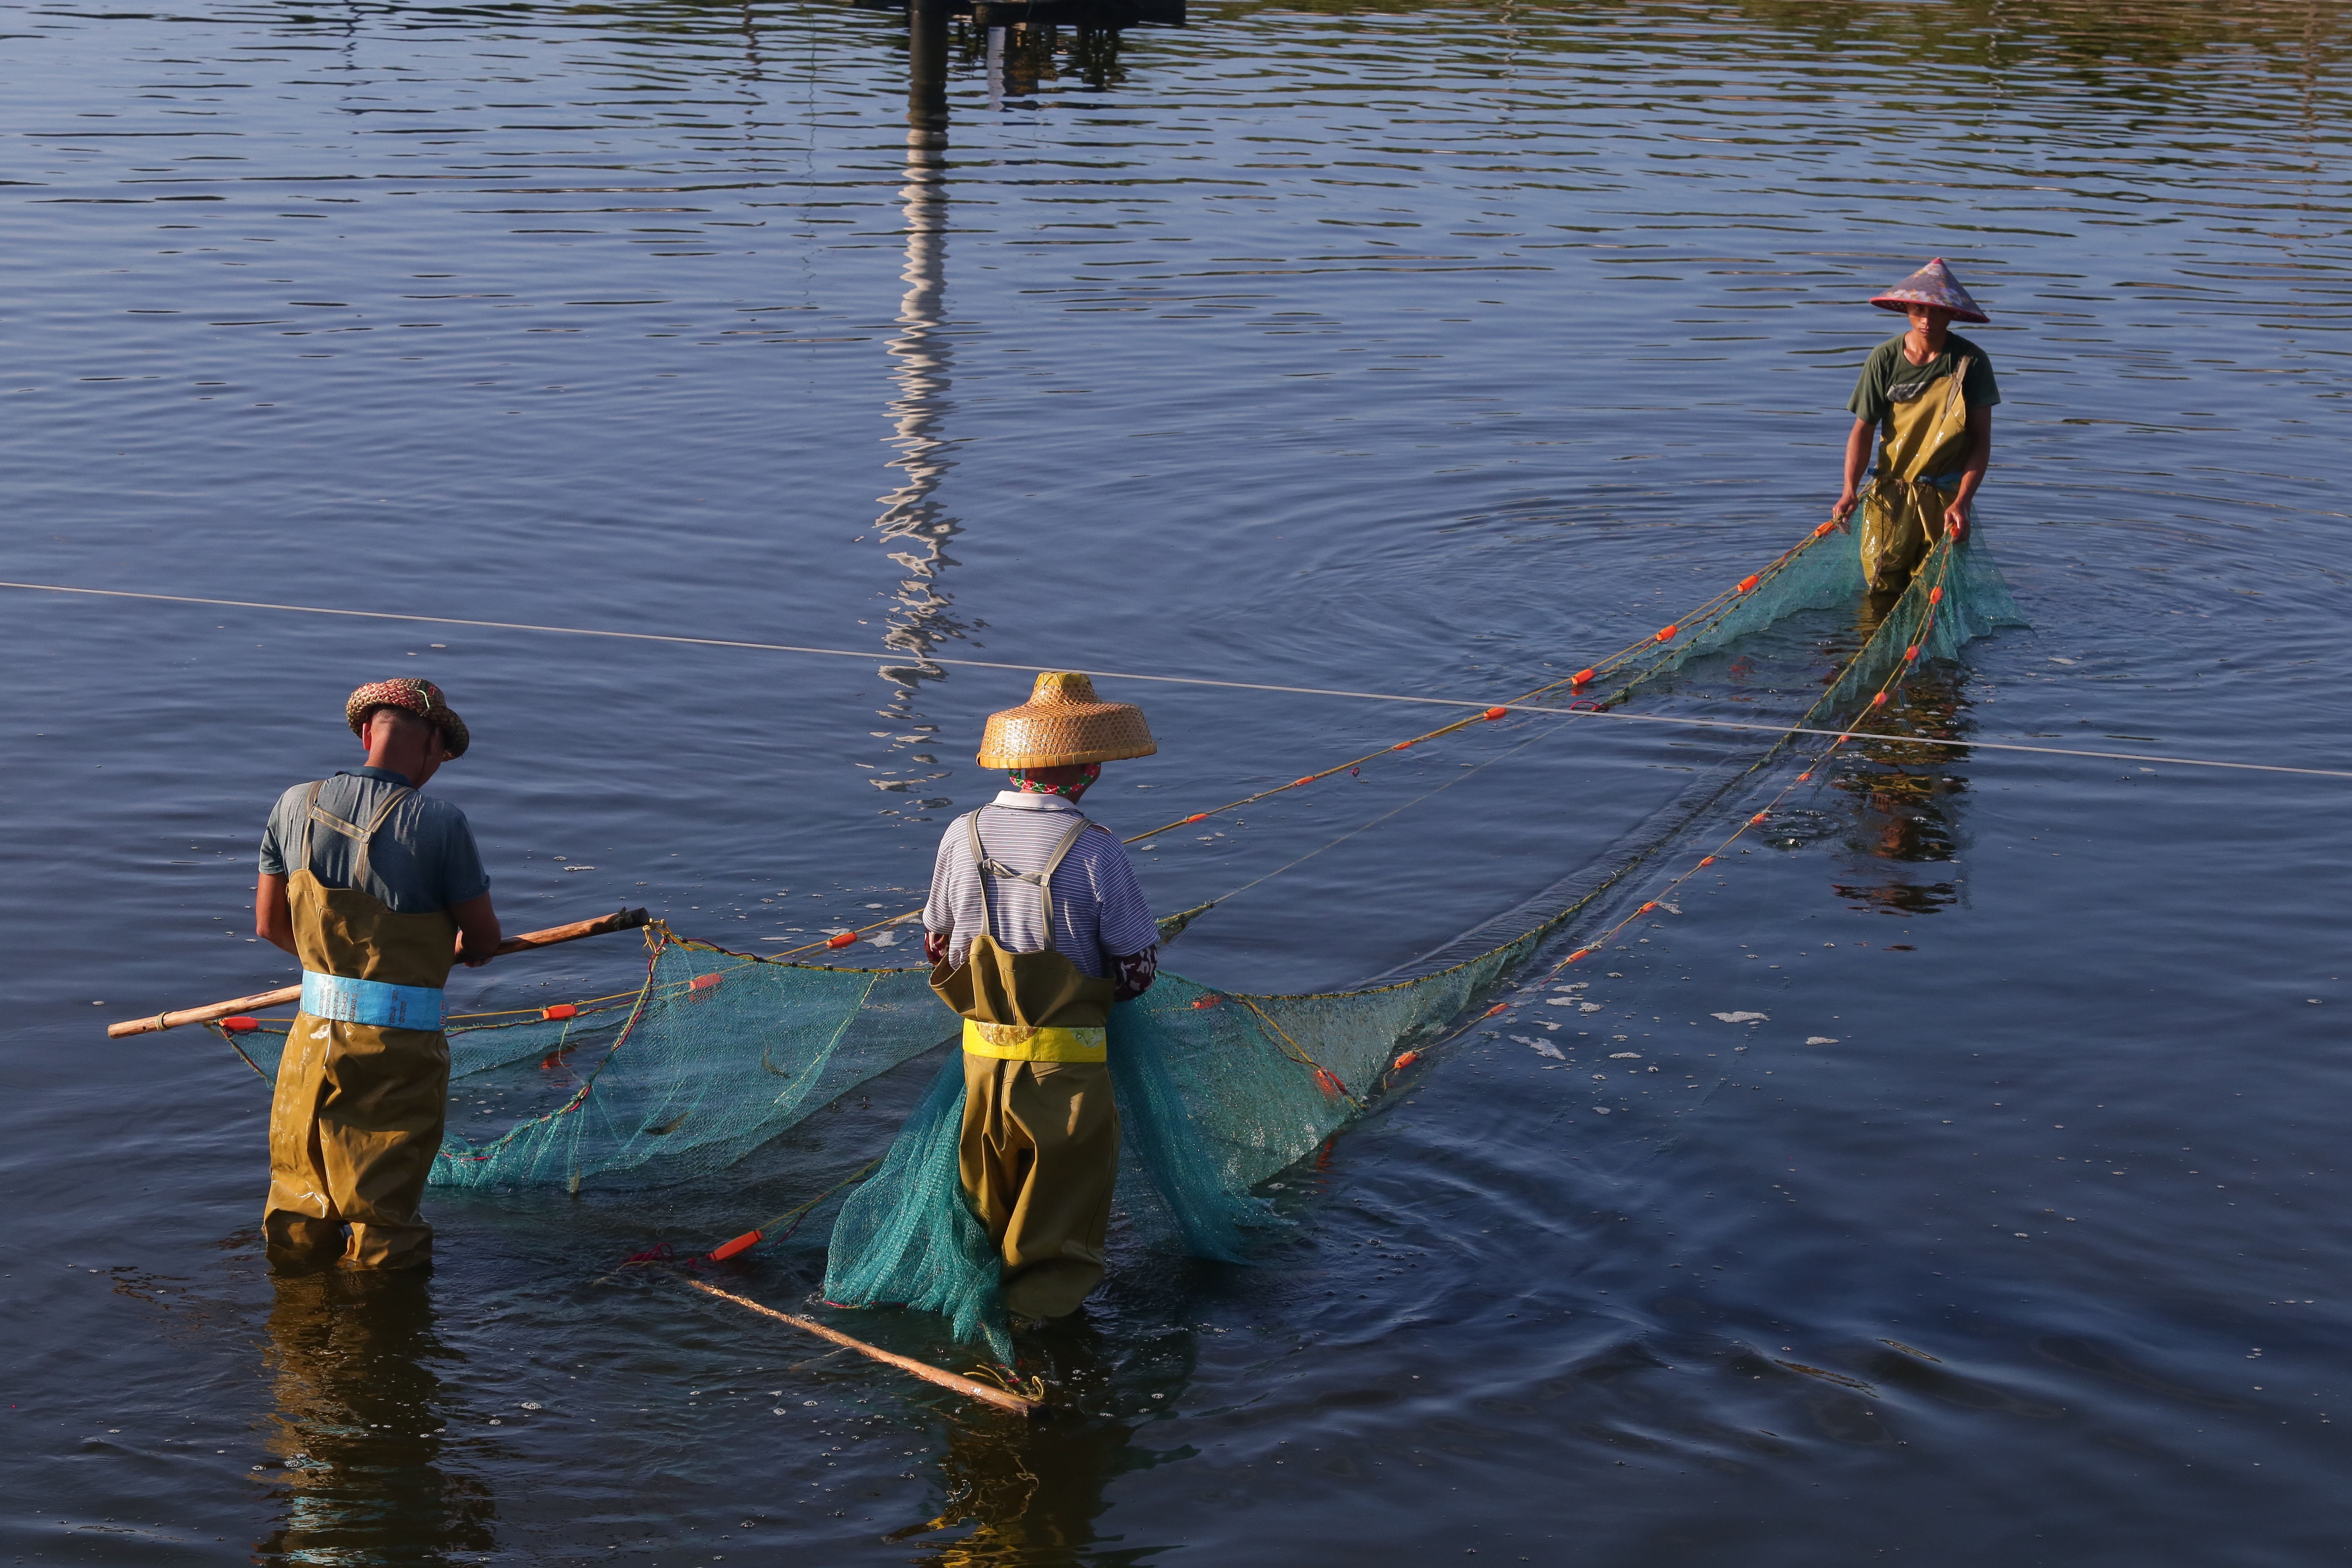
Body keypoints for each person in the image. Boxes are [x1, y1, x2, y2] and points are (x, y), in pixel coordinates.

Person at [924, 671, 1160, 1322]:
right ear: (1086, 769)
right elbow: (1136, 975)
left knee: (984, 1204)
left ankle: (975, 1330)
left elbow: (938, 949)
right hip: (1068, 1074)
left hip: (980, 1068)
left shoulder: (961, 834)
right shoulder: (1095, 850)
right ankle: (1042, 1345)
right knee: (1058, 1224)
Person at [254, 678, 500, 1271]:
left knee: (300, 1204)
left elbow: (269, 925)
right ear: (433, 745)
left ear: (369, 732)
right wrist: (447, 950)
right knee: (383, 1216)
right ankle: (382, 1348)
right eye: (442, 757)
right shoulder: (440, 823)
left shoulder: (293, 804)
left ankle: (297, 1346)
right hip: (396, 1051)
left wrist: (332, 970)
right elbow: (485, 940)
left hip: (310, 1041)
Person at [1830, 257, 2002, 593]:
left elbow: (1981, 442)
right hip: (1890, 493)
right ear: (1906, 308)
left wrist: (1963, 501)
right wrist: (1849, 490)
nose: (1927, 320)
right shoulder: (1885, 359)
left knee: (1932, 591)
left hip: (1944, 495)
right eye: (1919, 310)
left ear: (1952, 313)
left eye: (1938, 311)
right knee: (1880, 583)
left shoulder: (1971, 362)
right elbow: (1863, 429)